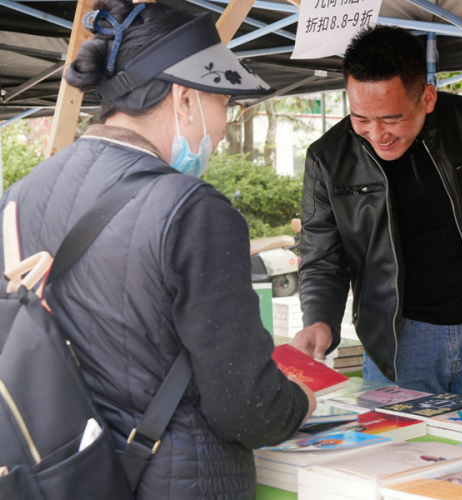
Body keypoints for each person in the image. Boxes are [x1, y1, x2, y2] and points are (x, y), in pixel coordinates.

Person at [0, 1, 315, 498]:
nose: (224, 127)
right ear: (185, 98)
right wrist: (300, 401)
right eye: (224, 103)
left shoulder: (18, 197)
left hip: (66, 473)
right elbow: (245, 407)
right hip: (179, 481)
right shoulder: (194, 209)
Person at [292, 26, 462, 403]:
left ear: (427, 98)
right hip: (397, 338)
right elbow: (322, 256)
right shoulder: (327, 159)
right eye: (361, 118)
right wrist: (319, 319)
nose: (377, 134)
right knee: (397, 439)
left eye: (392, 119)